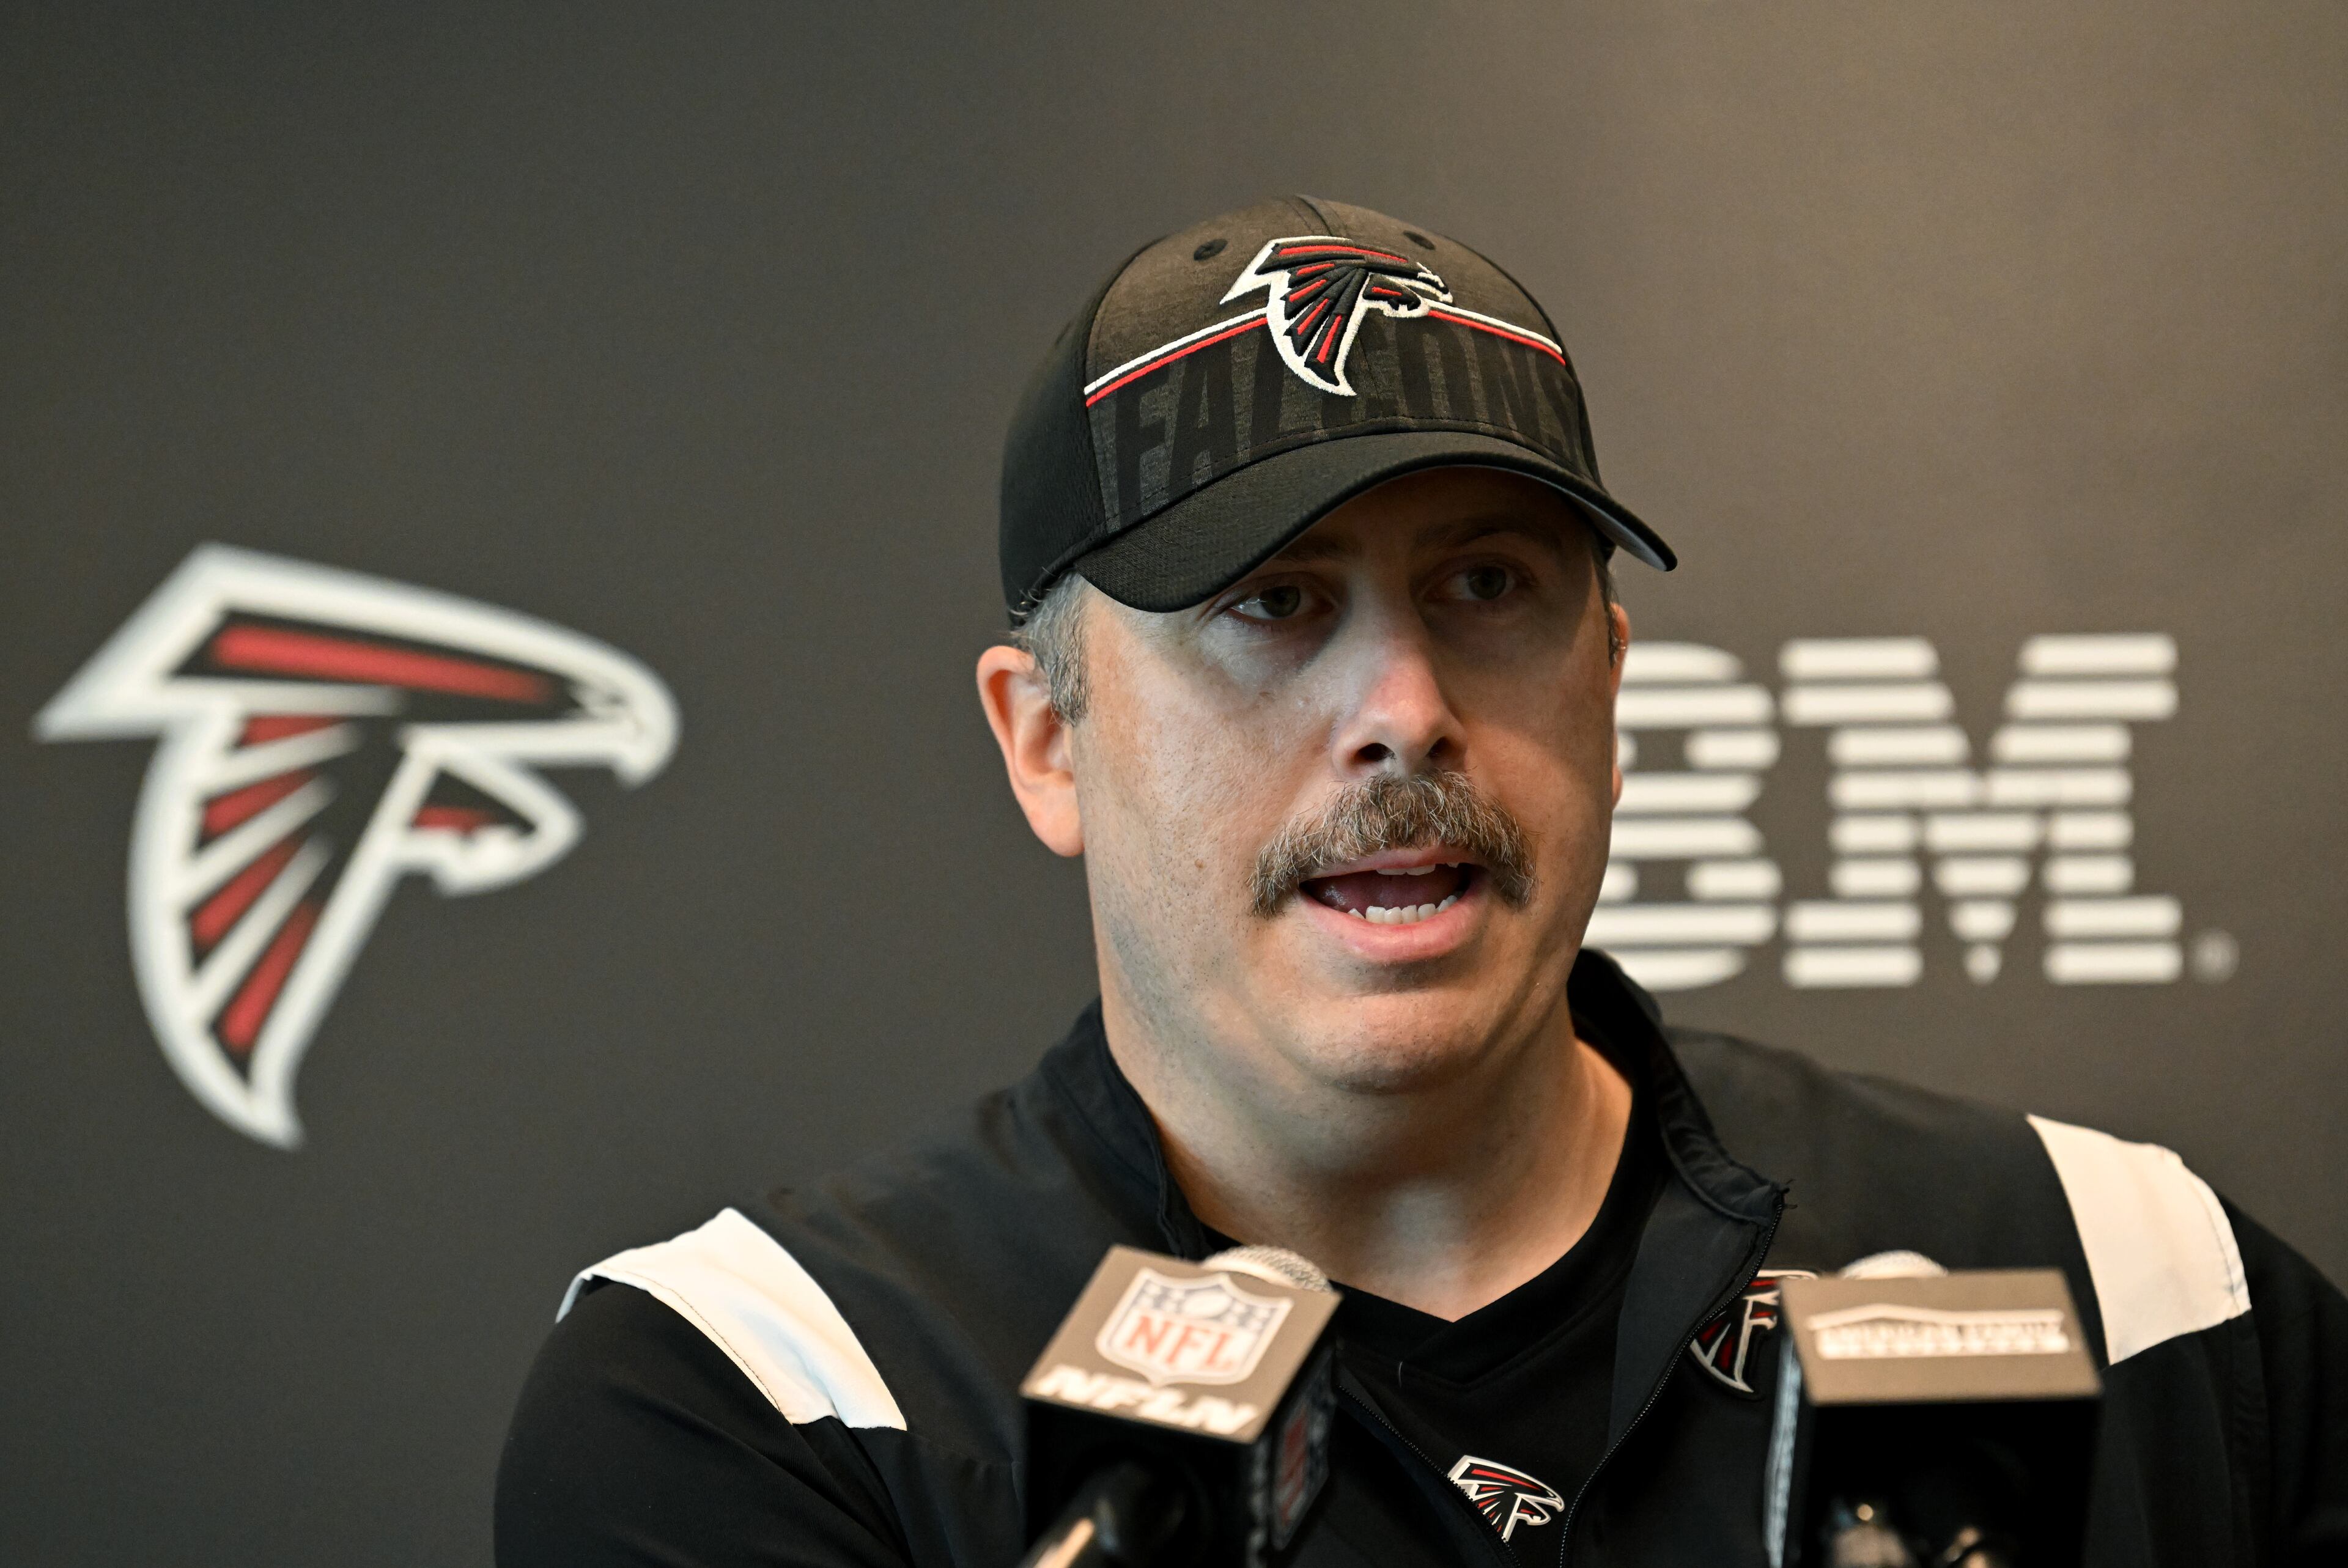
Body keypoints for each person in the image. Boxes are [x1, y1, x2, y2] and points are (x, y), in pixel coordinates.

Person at [495, 197, 2347, 1566]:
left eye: (1487, 588)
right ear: (1046, 740)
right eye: (1269, 607)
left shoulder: (2133, 1284)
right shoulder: (779, 1392)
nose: (1403, 711)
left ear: (1610, 682)